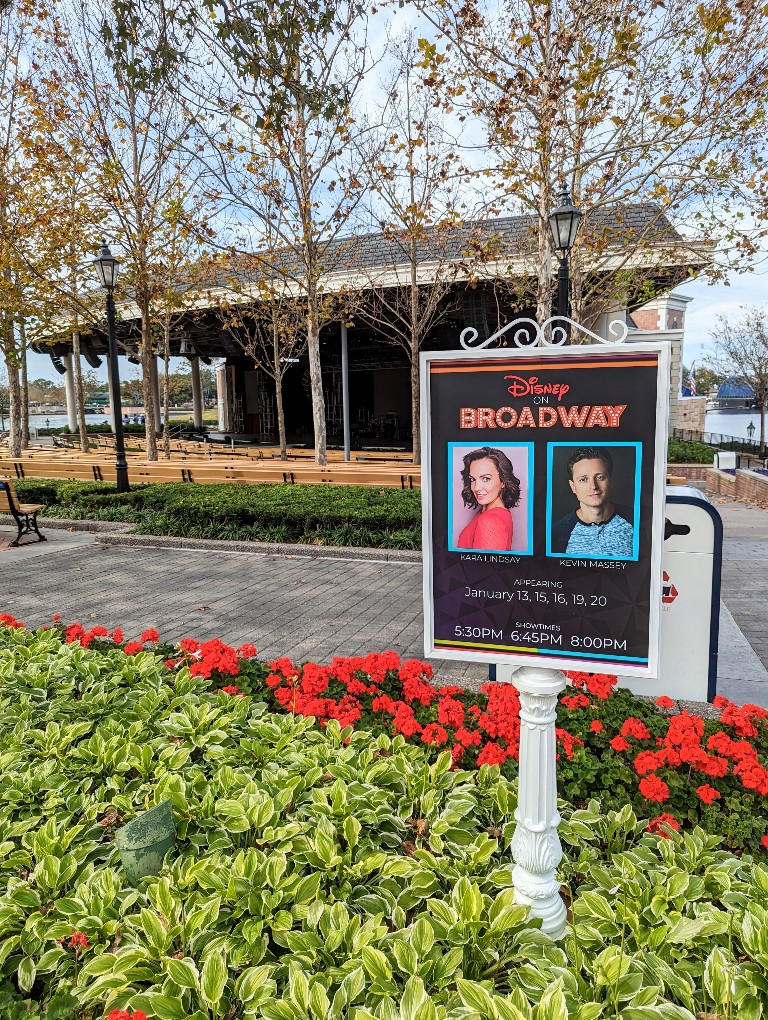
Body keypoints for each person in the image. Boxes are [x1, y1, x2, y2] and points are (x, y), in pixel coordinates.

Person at [551, 447, 634, 556]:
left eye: (600, 477)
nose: (593, 486)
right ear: (573, 486)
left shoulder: (636, 520)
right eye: (583, 479)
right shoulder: (556, 533)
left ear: (610, 481)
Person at [456, 446, 521, 551]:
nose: (476, 488)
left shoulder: (491, 521)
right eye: (472, 479)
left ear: (503, 481)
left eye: (486, 479)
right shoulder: (491, 513)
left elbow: (484, 566)